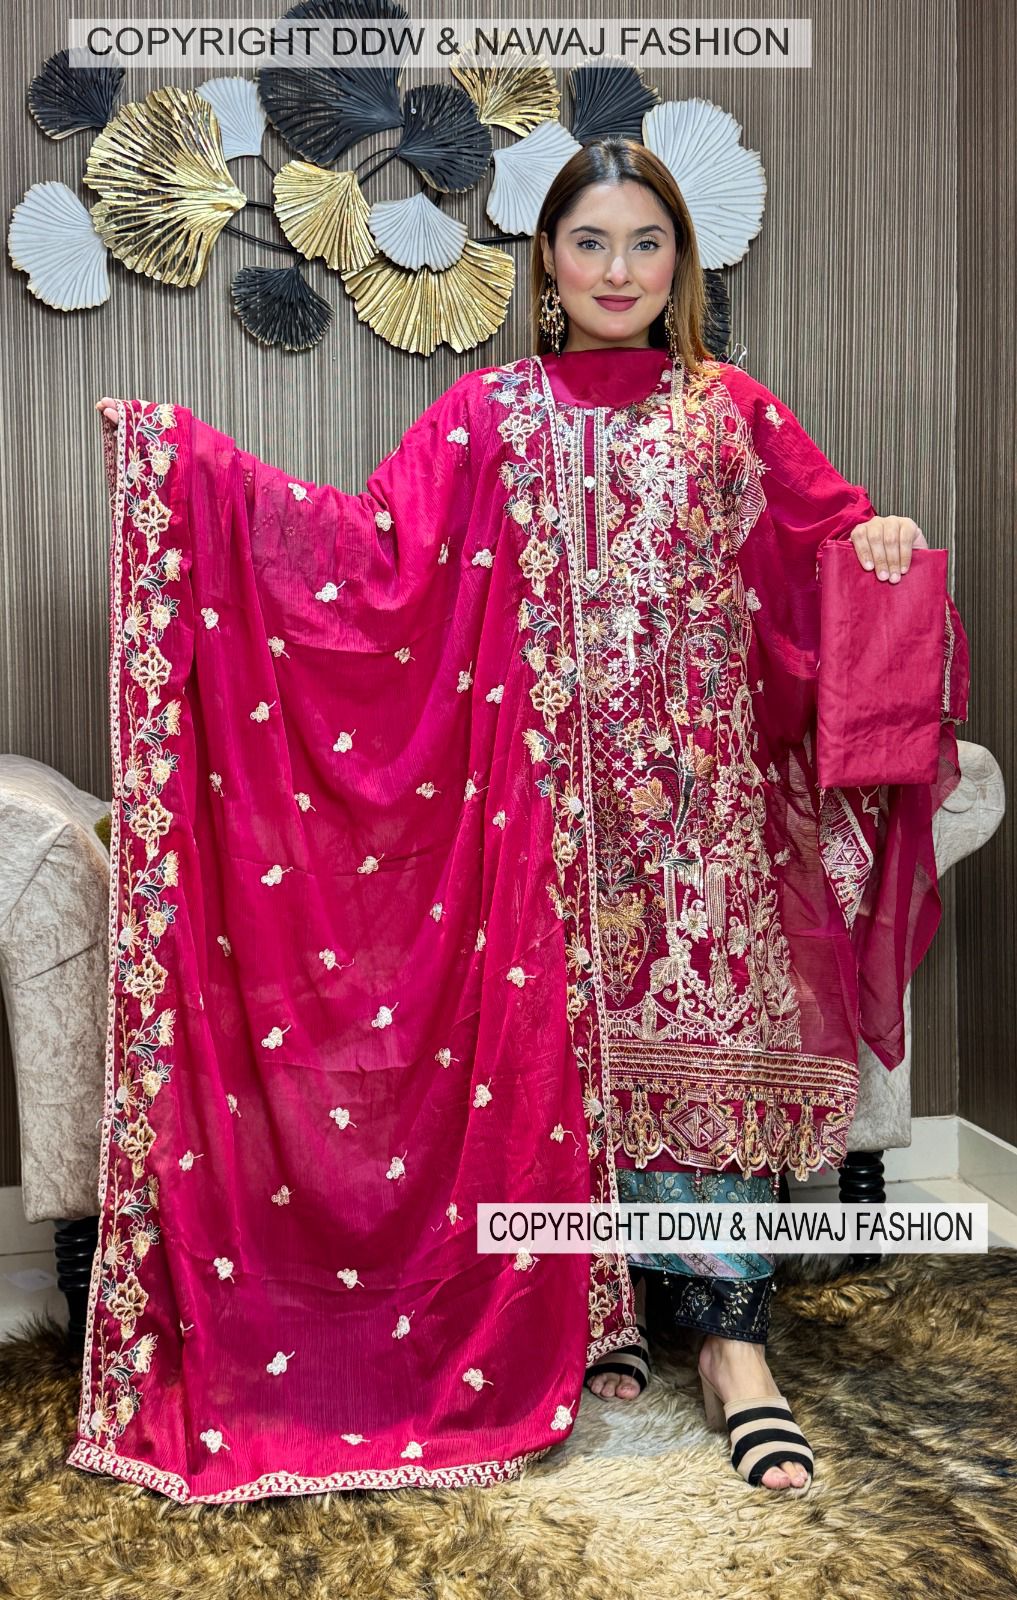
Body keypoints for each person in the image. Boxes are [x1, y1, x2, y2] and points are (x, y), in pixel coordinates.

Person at [87, 138, 967, 1504]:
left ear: (679, 263)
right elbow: (371, 557)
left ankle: (732, 1350)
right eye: (590, 243)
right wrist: (189, 471)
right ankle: (584, 1309)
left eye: (645, 244)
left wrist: (879, 542)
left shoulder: (731, 411)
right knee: (544, 1055)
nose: (618, 271)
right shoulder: (487, 414)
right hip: (530, 814)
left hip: (694, 816)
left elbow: (825, 544)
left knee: (700, 1053)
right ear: (546, 264)